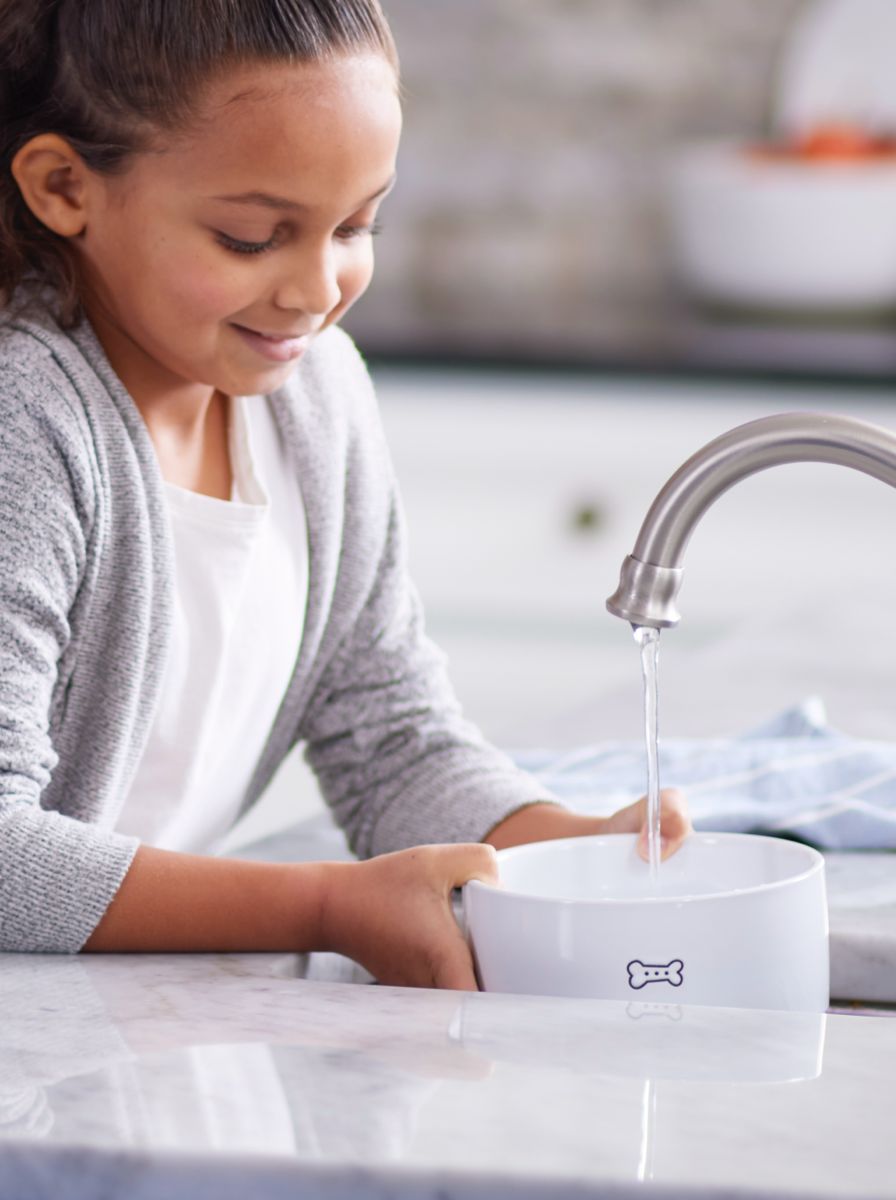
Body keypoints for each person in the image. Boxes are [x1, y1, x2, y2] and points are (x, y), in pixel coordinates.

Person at [0, 0, 690, 988]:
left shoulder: (316, 395)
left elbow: (392, 740)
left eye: (357, 225)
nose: (318, 291)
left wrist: (568, 848)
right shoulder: (25, 421)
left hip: (120, 1016)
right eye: (251, 237)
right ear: (64, 187)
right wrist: (327, 905)